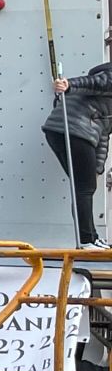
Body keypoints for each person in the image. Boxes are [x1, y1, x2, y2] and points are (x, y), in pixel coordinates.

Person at [46, 57, 112, 245]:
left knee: (83, 186)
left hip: (60, 131)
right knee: (84, 187)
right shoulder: (108, 77)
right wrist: (68, 85)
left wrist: (97, 168)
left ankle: (90, 238)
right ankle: (86, 240)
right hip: (74, 129)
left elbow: (103, 132)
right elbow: (94, 83)